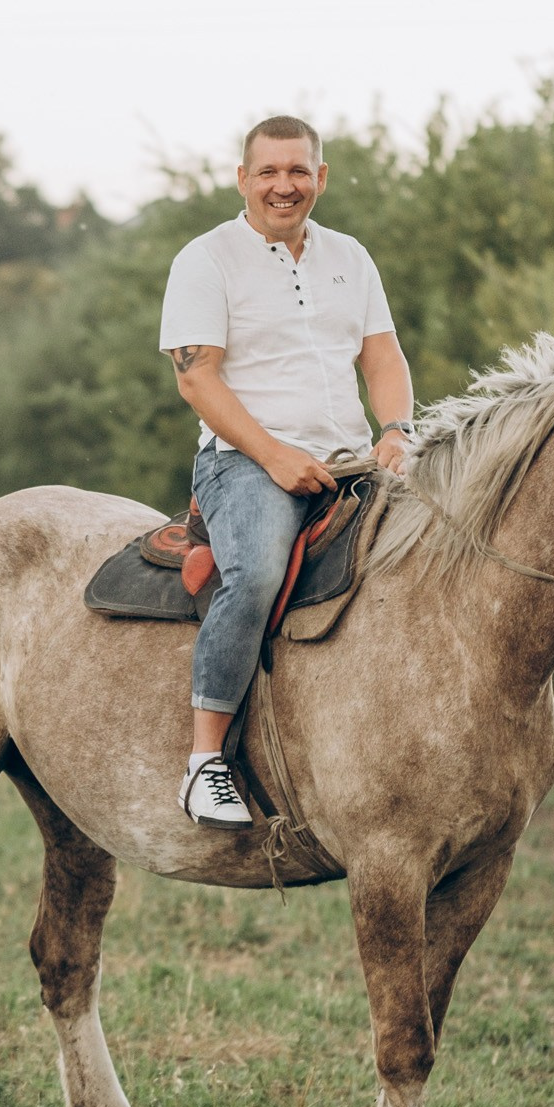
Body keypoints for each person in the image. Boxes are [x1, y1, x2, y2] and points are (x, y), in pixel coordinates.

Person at [158, 115, 414, 828]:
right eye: (268, 171)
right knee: (259, 571)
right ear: (242, 179)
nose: (284, 185)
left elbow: (383, 359)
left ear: (320, 178)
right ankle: (204, 761)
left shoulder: (350, 258)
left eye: (298, 170)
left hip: (354, 461)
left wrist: (396, 428)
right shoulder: (205, 260)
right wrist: (273, 455)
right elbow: (196, 380)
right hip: (244, 464)